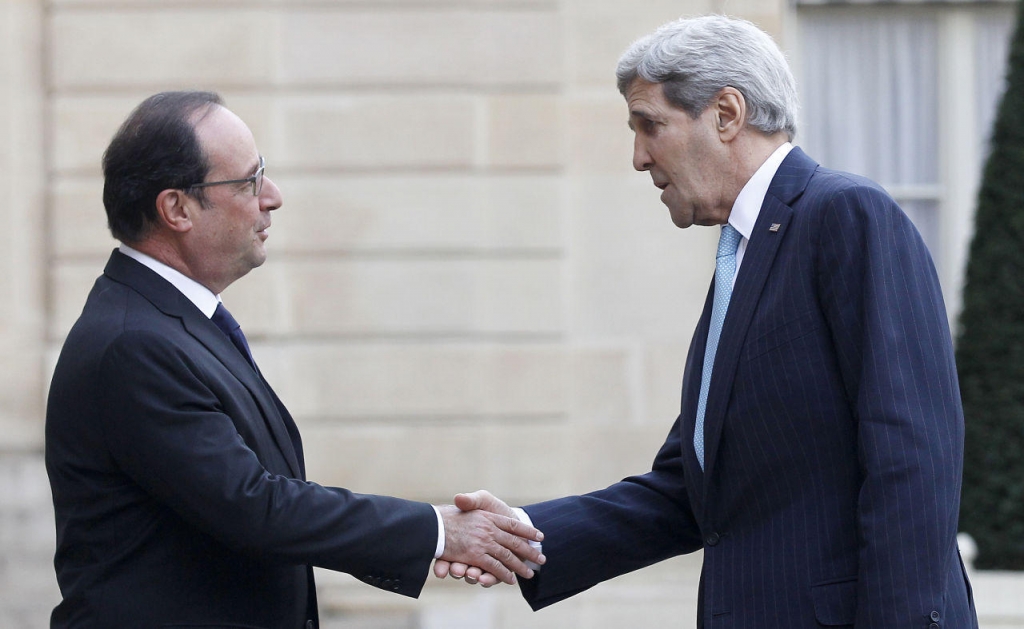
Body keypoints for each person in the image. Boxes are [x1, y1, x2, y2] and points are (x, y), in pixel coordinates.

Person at [435, 14, 978, 628]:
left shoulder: (845, 215)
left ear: (726, 114)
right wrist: (522, 535)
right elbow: (688, 491)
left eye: (650, 126)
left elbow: (913, 459)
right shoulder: (745, 253)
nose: (639, 157)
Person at [44, 90, 544, 629]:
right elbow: (254, 507)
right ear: (176, 209)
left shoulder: (168, 322)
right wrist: (438, 531)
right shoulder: (133, 342)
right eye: (249, 181)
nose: (273, 197)